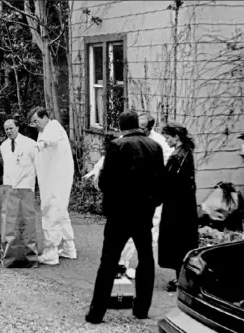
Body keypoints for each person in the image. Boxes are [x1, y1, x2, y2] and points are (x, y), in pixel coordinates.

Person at [86, 111, 165, 324]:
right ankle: (141, 308)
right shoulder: (154, 146)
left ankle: (97, 312)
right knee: (146, 259)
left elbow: (106, 181)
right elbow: (161, 183)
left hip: (120, 212)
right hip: (143, 211)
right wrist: (152, 204)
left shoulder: (117, 146)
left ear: (121, 127)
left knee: (108, 262)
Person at [116, 114, 174, 275]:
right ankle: (122, 263)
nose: (138, 129)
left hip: (151, 194)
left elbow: (164, 170)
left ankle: (144, 265)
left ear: (149, 128)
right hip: (131, 193)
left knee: (151, 230)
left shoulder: (160, 143)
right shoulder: (126, 138)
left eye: (142, 127)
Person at [29, 107, 76, 265]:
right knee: (60, 212)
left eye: (36, 121)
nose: (35, 125)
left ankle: (51, 252)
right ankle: (69, 247)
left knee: (51, 211)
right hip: (51, 178)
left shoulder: (53, 126)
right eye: (32, 123)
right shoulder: (44, 131)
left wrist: (41, 144)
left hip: (56, 178)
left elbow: (49, 139)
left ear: (45, 117)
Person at [158, 122, 198, 292]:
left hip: (176, 206)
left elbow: (168, 181)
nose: (166, 140)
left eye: (167, 137)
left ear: (176, 137)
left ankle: (180, 279)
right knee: (184, 240)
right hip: (185, 204)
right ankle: (181, 277)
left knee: (176, 240)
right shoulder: (186, 152)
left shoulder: (177, 157)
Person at [0, 119, 37, 190]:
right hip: (9, 187)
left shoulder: (30, 143)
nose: (9, 131)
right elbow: (6, 168)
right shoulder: (3, 146)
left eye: (11, 128)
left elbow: (38, 164)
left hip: (26, 187)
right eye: (6, 129)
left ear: (17, 127)